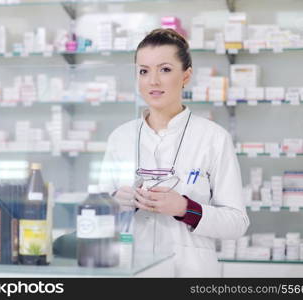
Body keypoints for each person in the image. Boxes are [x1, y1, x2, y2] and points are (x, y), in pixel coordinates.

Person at [99, 28, 249, 277]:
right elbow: (98, 211)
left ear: (186, 76)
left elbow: (237, 223)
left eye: (165, 69)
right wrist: (116, 202)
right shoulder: (120, 137)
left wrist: (184, 208)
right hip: (131, 269)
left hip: (191, 271)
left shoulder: (213, 138)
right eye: (144, 71)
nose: (153, 81)